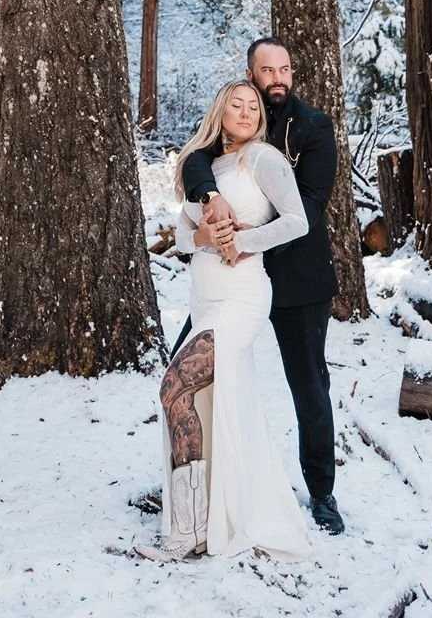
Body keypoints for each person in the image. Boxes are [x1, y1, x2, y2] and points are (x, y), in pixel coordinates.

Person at [179, 37, 345, 536]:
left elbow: (309, 211)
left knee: (309, 386)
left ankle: (321, 492)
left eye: (284, 70)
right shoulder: (237, 120)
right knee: (188, 371)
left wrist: (242, 239)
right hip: (228, 281)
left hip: (296, 277)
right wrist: (209, 196)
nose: (276, 79)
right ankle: (194, 483)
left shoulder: (313, 127)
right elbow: (195, 161)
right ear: (249, 75)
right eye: (266, 71)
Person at [146, 81, 311, 561]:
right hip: (205, 300)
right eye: (235, 105)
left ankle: (188, 533)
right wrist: (204, 233)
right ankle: (196, 526)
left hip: (242, 297)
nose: (244, 111)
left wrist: (244, 241)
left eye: (252, 106)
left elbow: (297, 220)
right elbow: (181, 238)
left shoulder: (263, 159)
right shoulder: (209, 168)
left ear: (261, 117)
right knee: (194, 401)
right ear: (221, 111)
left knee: (174, 387)